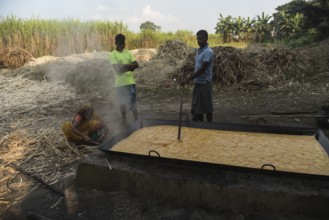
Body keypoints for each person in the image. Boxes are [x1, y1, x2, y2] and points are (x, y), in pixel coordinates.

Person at [180, 30, 214, 122]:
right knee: (197, 107)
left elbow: (202, 69)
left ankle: (210, 126)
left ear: (206, 39)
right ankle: (200, 126)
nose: (199, 41)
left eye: (201, 39)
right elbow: (198, 67)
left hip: (205, 83)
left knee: (207, 107)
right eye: (198, 39)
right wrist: (188, 69)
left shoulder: (208, 52)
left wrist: (187, 79)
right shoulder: (199, 51)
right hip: (198, 83)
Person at [109, 34, 139, 126]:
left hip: (130, 82)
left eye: (123, 43)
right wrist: (130, 67)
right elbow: (117, 70)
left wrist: (123, 66)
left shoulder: (128, 53)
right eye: (120, 44)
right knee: (122, 103)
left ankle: (136, 120)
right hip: (120, 83)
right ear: (115, 43)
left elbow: (136, 65)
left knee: (132, 102)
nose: (122, 45)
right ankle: (124, 121)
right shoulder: (113, 54)